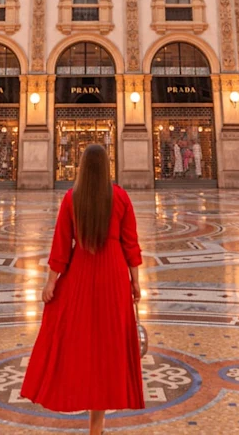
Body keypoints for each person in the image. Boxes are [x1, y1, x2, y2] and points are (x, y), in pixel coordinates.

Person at [21, 144, 144, 435]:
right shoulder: (121, 197)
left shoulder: (71, 199)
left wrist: (51, 282)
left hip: (80, 275)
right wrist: (135, 280)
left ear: (82, 168)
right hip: (113, 276)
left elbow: (61, 248)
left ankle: (87, 407)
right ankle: (96, 425)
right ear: (107, 167)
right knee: (107, 347)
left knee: (81, 343)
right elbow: (131, 243)